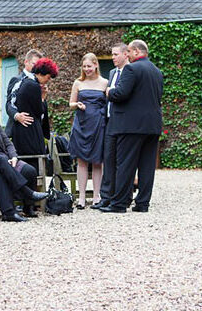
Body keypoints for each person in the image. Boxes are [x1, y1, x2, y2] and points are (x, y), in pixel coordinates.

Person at [100, 39, 164, 213]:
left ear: (136, 51)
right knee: (147, 166)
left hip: (130, 125)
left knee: (125, 164)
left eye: (128, 51)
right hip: (152, 125)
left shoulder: (131, 69)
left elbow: (121, 94)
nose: (126, 54)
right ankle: (142, 204)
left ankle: (119, 204)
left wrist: (109, 92)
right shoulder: (157, 71)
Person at [68, 52, 108, 209]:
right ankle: (82, 197)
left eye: (89, 66)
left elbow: (109, 104)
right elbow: (71, 102)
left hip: (98, 124)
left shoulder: (105, 83)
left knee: (98, 161)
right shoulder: (78, 82)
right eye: (84, 67)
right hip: (81, 124)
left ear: (96, 65)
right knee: (81, 161)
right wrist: (77, 105)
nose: (86, 69)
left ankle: (97, 196)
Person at [94, 43, 129, 210]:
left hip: (123, 122)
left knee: (121, 162)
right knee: (108, 160)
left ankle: (121, 197)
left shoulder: (131, 72)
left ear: (125, 54)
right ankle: (105, 197)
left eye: (116, 54)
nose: (113, 57)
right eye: (112, 54)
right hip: (109, 121)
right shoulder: (112, 72)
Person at [11, 57, 56, 158]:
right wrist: (43, 97)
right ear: (41, 73)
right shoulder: (33, 85)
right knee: (35, 163)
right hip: (30, 131)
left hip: (21, 130)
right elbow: (39, 111)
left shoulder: (25, 81)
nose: (48, 80)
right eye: (48, 77)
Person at [4, 49, 44, 136]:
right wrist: (17, 115)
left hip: (34, 130)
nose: (36, 68)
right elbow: (8, 104)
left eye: (38, 65)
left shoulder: (39, 82)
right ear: (26, 62)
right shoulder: (16, 80)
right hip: (16, 129)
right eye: (34, 64)